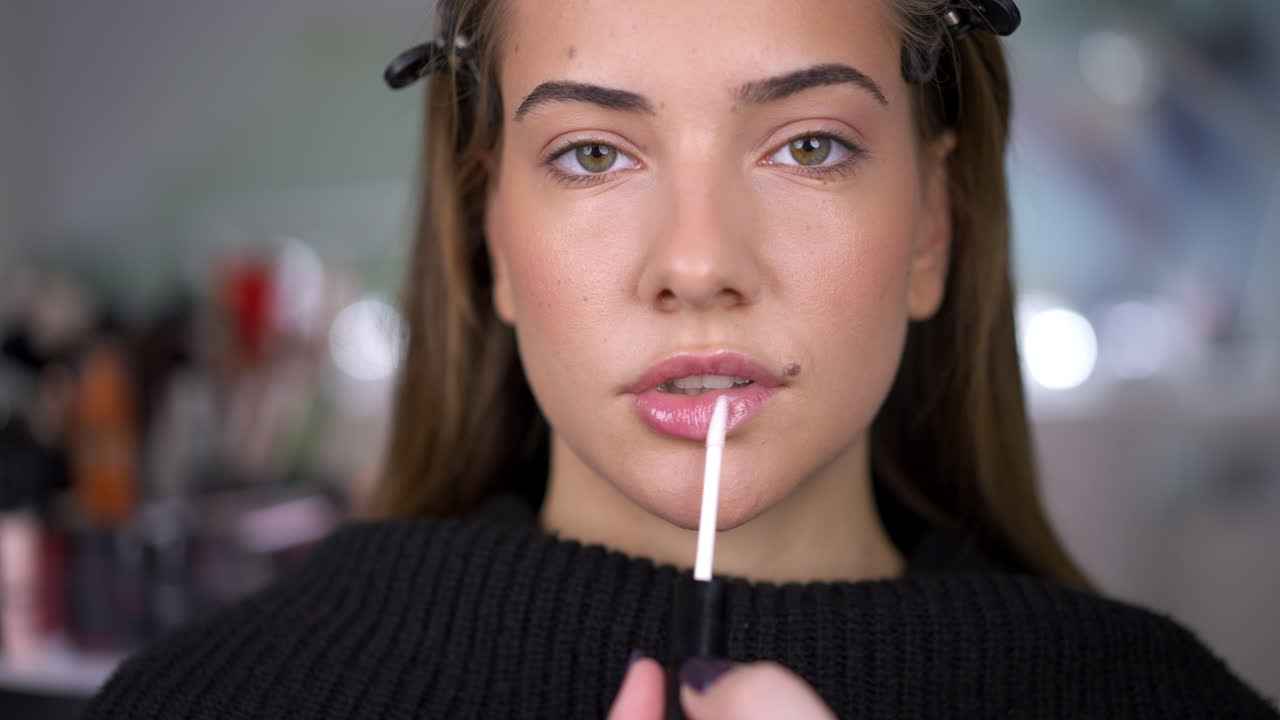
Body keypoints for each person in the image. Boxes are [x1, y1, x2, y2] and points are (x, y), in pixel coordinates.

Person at [85, 0, 1277, 717]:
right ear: (485, 235)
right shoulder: (223, 703)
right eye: (593, 155)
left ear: (931, 226)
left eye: (808, 144)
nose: (698, 263)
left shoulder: (1155, 704)